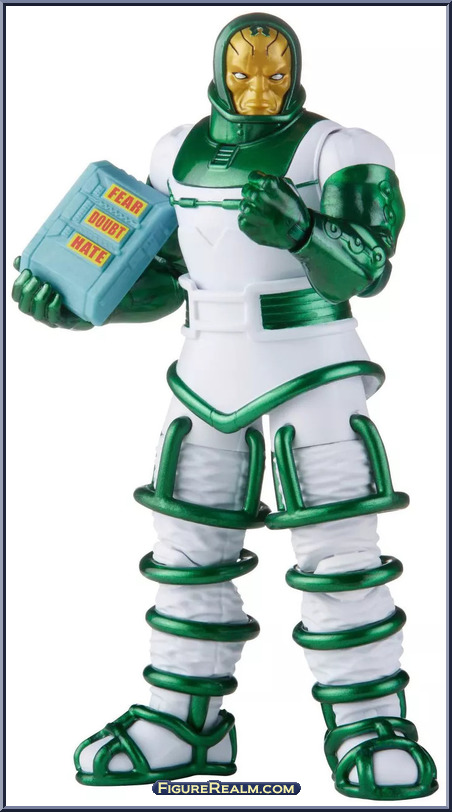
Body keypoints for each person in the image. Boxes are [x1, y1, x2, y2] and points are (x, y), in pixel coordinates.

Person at [12, 12, 437, 801]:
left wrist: (303, 230)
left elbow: (366, 270)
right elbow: (160, 276)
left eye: (274, 74)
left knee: (339, 552)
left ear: (295, 71)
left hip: (313, 366)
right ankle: (183, 720)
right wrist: (81, 305)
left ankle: (369, 722)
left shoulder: (340, 149)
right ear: (218, 71)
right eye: (243, 73)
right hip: (203, 370)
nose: (258, 89)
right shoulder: (175, 151)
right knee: (188, 548)